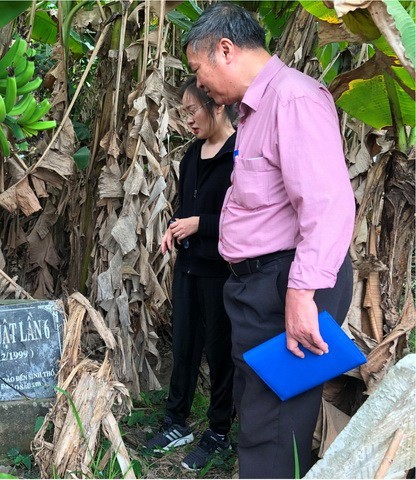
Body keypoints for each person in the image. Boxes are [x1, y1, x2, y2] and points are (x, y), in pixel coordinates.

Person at [183, 3, 355, 478]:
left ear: (225, 50)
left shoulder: (292, 100)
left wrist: (302, 296)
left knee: (273, 419)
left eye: (199, 71)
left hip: (289, 282)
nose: (201, 85)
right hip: (260, 285)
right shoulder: (254, 111)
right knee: (259, 406)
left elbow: (327, 206)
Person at [144, 76, 236, 471]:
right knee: (183, 346)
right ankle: (176, 421)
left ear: (217, 105)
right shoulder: (191, 155)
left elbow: (248, 218)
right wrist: (174, 227)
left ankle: (218, 432)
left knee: (220, 353)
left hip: (222, 271)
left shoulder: (240, 153)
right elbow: (187, 210)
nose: (188, 121)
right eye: (183, 114)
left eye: (192, 111)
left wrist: (202, 225)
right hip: (189, 267)